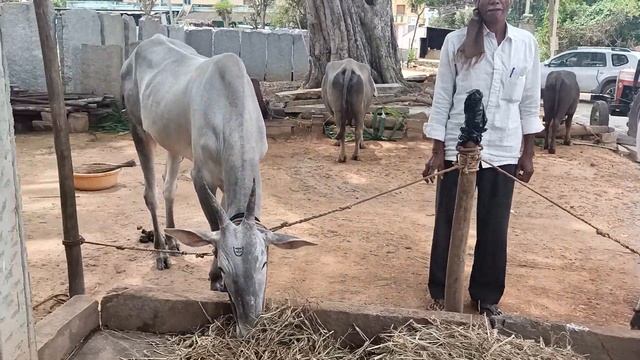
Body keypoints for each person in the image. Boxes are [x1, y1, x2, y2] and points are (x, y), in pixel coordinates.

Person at [422, 0, 543, 317]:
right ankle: (442, 290)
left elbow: (529, 103)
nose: (495, 2)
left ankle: (486, 296)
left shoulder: (526, 45)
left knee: (495, 224)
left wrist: (527, 153)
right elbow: (442, 99)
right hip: (457, 149)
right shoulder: (455, 42)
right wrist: (437, 152)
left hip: (503, 150)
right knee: (447, 222)